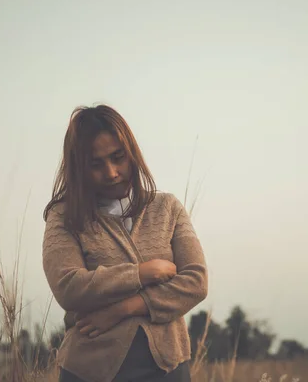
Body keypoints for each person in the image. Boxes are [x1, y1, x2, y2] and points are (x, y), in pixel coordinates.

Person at [42, 104, 208, 382]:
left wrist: (123, 309)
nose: (111, 172)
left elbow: (196, 281)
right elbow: (69, 287)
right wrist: (144, 273)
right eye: (96, 164)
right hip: (90, 370)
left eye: (118, 157)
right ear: (79, 168)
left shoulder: (167, 207)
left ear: (132, 152)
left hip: (167, 367)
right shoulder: (64, 216)